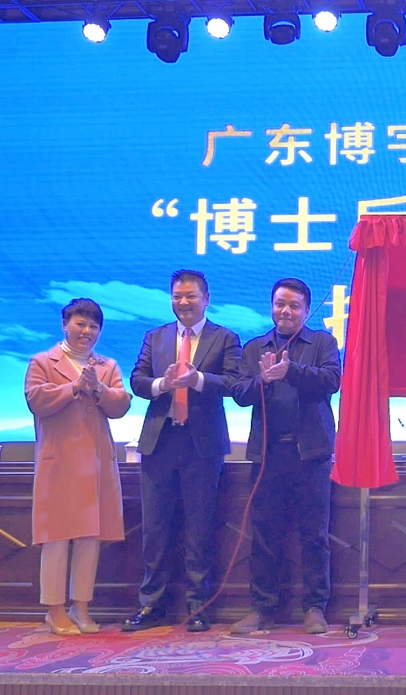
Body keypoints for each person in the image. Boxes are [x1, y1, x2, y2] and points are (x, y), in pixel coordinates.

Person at [122, 270, 242, 633]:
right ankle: (151, 605)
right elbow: (137, 380)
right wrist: (164, 383)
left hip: (202, 444)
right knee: (155, 528)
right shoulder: (155, 336)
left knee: (200, 527)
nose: (183, 303)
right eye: (177, 296)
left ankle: (197, 606)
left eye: (190, 296)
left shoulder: (225, 337)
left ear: (206, 298)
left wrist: (197, 380)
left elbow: (235, 383)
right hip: (160, 441)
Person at [229, 278, 341, 635]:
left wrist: (290, 370)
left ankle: (315, 608)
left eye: (294, 305)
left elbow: (332, 380)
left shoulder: (322, 342)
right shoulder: (255, 347)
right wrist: (263, 379)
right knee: (265, 534)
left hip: (311, 454)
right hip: (268, 454)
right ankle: (263, 609)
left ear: (306, 311)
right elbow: (239, 393)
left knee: (314, 535)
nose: (286, 311)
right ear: (271, 306)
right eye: (280, 304)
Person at [24, 298, 132, 635]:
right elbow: (36, 400)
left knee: (89, 537)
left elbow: (121, 405)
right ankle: (54, 610)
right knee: (56, 538)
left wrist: (98, 388)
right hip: (59, 462)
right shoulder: (43, 361)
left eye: (93, 326)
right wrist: (73, 387)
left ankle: (81, 607)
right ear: (64, 324)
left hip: (96, 464)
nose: (86, 331)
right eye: (80, 324)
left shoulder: (107, 365)